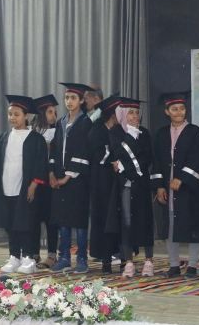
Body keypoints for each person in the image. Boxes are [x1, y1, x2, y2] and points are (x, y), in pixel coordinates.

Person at [0, 95, 47, 273]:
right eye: (10, 114)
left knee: (25, 223)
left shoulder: (35, 139)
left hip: (24, 188)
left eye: (16, 114)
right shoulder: (4, 137)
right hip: (6, 187)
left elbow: (40, 164)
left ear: (26, 116)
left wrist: (33, 185)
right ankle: (14, 256)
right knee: (10, 223)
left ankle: (28, 257)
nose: (12, 117)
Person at [151, 91, 199, 278]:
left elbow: (197, 158)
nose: (179, 112)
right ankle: (174, 265)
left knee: (193, 226)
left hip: (190, 189)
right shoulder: (161, 134)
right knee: (170, 227)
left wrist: (181, 178)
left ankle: (192, 266)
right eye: (174, 109)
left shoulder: (194, 131)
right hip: (168, 190)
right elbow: (157, 161)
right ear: (167, 112)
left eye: (182, 108)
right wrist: (159, 186)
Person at [50, 82, 93, 273]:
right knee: (63, 220)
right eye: (67, 97)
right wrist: (52, 172)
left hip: (78, 180)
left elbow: (84, 151)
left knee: (79, 220)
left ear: (81, 100)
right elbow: (54, 148)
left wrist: (68, 176)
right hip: (59, 178)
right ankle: (64, 257)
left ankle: (82, 258)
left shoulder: (85, 122)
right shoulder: (60, 122)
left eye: (73, 98)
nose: (69, 101)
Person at [110, 98, 155, 277]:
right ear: (122, 115)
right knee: (127, 223)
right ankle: (128, 262)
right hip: (126, 186)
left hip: (142, 185)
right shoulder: (116, 133)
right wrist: (130, 136)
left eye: (137, 112)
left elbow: (146, 158)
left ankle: (149, 261)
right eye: (130, 112)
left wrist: (124, 166)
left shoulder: (145, 133)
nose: (135, 116)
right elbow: (117, 155)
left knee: (146, 221)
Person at [88, 94, 124, 273]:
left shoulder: (119, 130)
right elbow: (97, 154)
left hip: (116, 180)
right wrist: (113, 158)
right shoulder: (97, 129)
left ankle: (119, 253)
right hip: (101, 181)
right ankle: (105, 256)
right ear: (111, 113)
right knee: (104, 216)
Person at [31, 94, 60, 268]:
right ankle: (34, 254)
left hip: (50, 181)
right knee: (34, 218)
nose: (53, 116)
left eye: (55, 112)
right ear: (42, 113)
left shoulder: (58, 132)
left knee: (51, 220)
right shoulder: (31, 133)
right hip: (35, 181)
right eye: (50, 112)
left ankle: (51, 254)